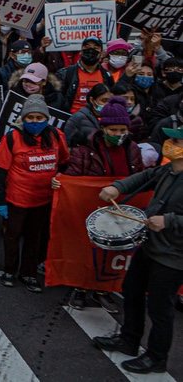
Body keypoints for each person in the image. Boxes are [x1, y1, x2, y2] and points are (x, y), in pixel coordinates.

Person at [93, 127, 183, 374]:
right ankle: (129, 340)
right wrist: (117, 187)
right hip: (151, 245)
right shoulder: (168, 169)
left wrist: (170, 220)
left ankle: (157, 357)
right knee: (131, 291)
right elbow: (145, 178)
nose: (168, 144)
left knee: (160, 308)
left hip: (174, 255)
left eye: (176, 140)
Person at [57, 97, 146, 312]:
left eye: (122, 129)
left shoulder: (132, 150)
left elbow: (141, 176)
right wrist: (62, 182)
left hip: (119, 208)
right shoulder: (84, 151)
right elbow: (73, 177)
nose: (118, 134)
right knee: (86, 249)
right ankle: (80, 288)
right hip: (90, 208)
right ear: (103, 128)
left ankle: (103, 290)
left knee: (113, 249)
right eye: (113, 129)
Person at [0, 94, 70, 292]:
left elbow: (64, 162)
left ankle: (29, 273)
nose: (35, 122)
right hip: (17, 198)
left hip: (43, 199)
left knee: (34, 238)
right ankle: (10, 270)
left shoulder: (56, 136)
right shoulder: (12, 138)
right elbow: (0, 172)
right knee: (13, 236)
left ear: (47, 119)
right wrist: (0, 200)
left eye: (39, 118)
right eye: (30, 118)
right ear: (23, 119)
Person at [56, 36, 112, 113]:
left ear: (101, 54)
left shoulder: (107, 75)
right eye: (87, 46)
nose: (91, 50)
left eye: (95, 48)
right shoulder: (65, 73)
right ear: (81, 51)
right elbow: (57, 100)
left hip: (98, 120)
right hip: (72, 119)